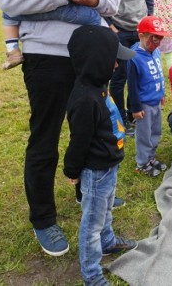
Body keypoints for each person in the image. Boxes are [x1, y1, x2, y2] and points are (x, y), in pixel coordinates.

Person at [0, 0, 122, 257]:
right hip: (45, 55)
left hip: (90, 56)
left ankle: (90, 193)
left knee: (94, 131)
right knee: (45, 137)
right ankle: (44, 219)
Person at [64, 25, 138, 286]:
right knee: (91, 225)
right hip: (96, 170)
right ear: (97, 62)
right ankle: (92, 276)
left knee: (105, 210)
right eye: (113, 60)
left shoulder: (98, 85)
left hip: (109, 165)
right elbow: (79, 141)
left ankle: (108, 242)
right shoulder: (85, 100)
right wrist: (71, 170)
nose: (117, 66)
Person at [99, 0, 155, 135]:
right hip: (118, 29)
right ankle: (121, 117)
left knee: (138, 73)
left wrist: (149, 16)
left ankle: (134, 113)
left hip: (141, 29)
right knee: (119, 77)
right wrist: (110, 25)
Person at [128, 16, 170, 177]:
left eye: (160, 39)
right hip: (144, 105)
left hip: (156, 101)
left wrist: (162, 93)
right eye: (154, 39)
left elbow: (158, 75)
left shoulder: (156, 51)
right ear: (141, 36)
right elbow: (131, 85)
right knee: (144, 134)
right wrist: (136, 107)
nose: (157, 43)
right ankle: (142, 162)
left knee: (155, 131)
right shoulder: (134, 56)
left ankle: (150, 158)